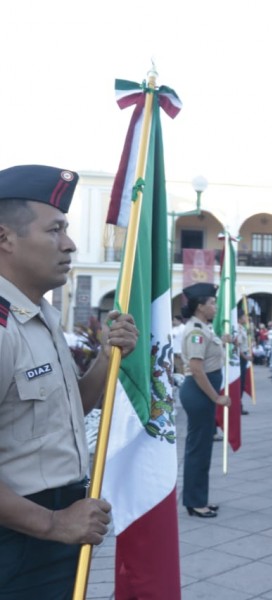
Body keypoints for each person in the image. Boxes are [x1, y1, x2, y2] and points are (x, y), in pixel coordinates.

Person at [0, 165, 138, 598]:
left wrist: (106, 357)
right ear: (5, 238)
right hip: (20, 532)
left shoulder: (38, 316)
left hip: (52, 527)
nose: (70, 243)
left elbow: (63, 412)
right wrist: (52, 522)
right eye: (55, 230)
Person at [180, 282, 232, 518]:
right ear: (200, 306)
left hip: (202, 391)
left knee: (202, 448)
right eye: (212, 302)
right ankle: (194, 501)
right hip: (200, 391)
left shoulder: (203, 328)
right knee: (198, 449)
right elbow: (196, 369)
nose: (215, 306)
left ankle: (198, 498)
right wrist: (217, 397)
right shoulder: (196, 332)